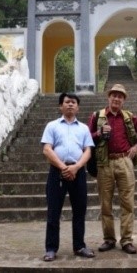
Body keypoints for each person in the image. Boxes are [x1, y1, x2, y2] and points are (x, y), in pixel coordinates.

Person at [87, 83, 137, 254]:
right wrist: (98, 133)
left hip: (124, 161)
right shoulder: (97, 116)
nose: (117, 98)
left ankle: (126, 240)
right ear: (109, 97)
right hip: (104, 163)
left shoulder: (129, 116)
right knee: (105, 204)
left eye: (120, 96)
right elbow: (86, 138)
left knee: (127, 203)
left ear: (124, 100)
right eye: (114, 95)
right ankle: (109, 239)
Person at [41, 92, 95, 262]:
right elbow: (47, 149)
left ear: (78, 107)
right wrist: (64, 167)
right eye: (67, 102)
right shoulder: (52, 126)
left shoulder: (84, 128)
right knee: (53, 212)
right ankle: (51, 248)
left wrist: (77, 167)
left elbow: (88, 150)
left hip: (78, 172)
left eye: (73, 102)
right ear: (61, 106)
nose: (70, 104)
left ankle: (79, 246)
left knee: (79, 211)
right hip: (58, 172)